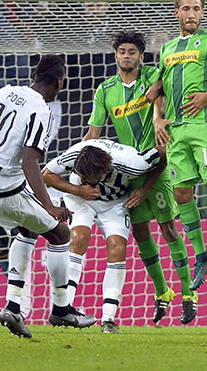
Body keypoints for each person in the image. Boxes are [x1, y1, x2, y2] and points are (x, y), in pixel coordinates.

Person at [0, 55, 95, 339]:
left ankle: (13, 306)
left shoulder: (4, 91)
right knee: (60, 233)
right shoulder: (42, 111)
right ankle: (62, 310)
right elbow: (30, 162)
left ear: (33, 75)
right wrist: (50, 206)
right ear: (60, 82)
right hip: (4, 191)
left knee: (29, 229)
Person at [82, 30, 194, 324]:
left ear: (141, 57)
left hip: (157, 165)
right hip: (128, 171)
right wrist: (78, 165)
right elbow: (93, 135)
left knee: (168, 229)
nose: (127, 56)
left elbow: (164, 128)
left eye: (132, 51)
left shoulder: (153, 80)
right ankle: (162, 292)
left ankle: (187, 293)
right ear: (116, 56)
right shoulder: (105, 91)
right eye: (122, 51)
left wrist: (145, 187)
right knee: (140, 232)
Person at [146, 0, 207, 291]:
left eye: (197, 9)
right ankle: (202, 256)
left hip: (204, 126)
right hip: (175, 131)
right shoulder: (168, 48)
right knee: (183, 194)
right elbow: (156, 89)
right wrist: (158, 117)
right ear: (177, 13)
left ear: (202, 12)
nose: (191, 14)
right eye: (186, 9)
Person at [42, 140, 170, 332]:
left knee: (118, 248)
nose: (83, 179)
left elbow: (164, 151)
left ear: (103, 172)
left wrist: (146, 188)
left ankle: (108, 319)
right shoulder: (76, 154)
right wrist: (78, 189)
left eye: (87, 178)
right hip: (80, 199)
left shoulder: (134, 163)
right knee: (77, 238)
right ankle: (64, 310)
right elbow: (46, 174)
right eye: (80, 175)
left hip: (115, 203)